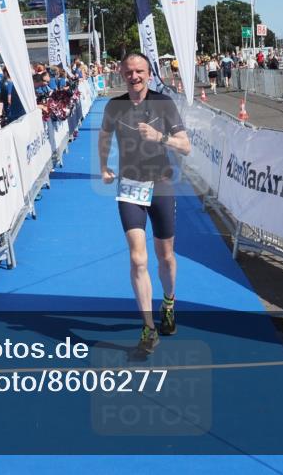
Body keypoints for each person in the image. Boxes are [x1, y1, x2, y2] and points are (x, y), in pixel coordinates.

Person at [98, 52, 191, 357]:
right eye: (129, 72)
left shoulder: (163, 103)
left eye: (139, 71)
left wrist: (160, 137)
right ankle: (149, 328)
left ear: (149, 74)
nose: (134, 76)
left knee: (165, 257)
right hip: (129, 188)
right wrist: (103, 166)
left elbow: (186, 146)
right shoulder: (114, 106)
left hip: (161, 185)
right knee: (138, 260)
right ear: (122, 74)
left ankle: (169, 302)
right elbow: (104, 136)